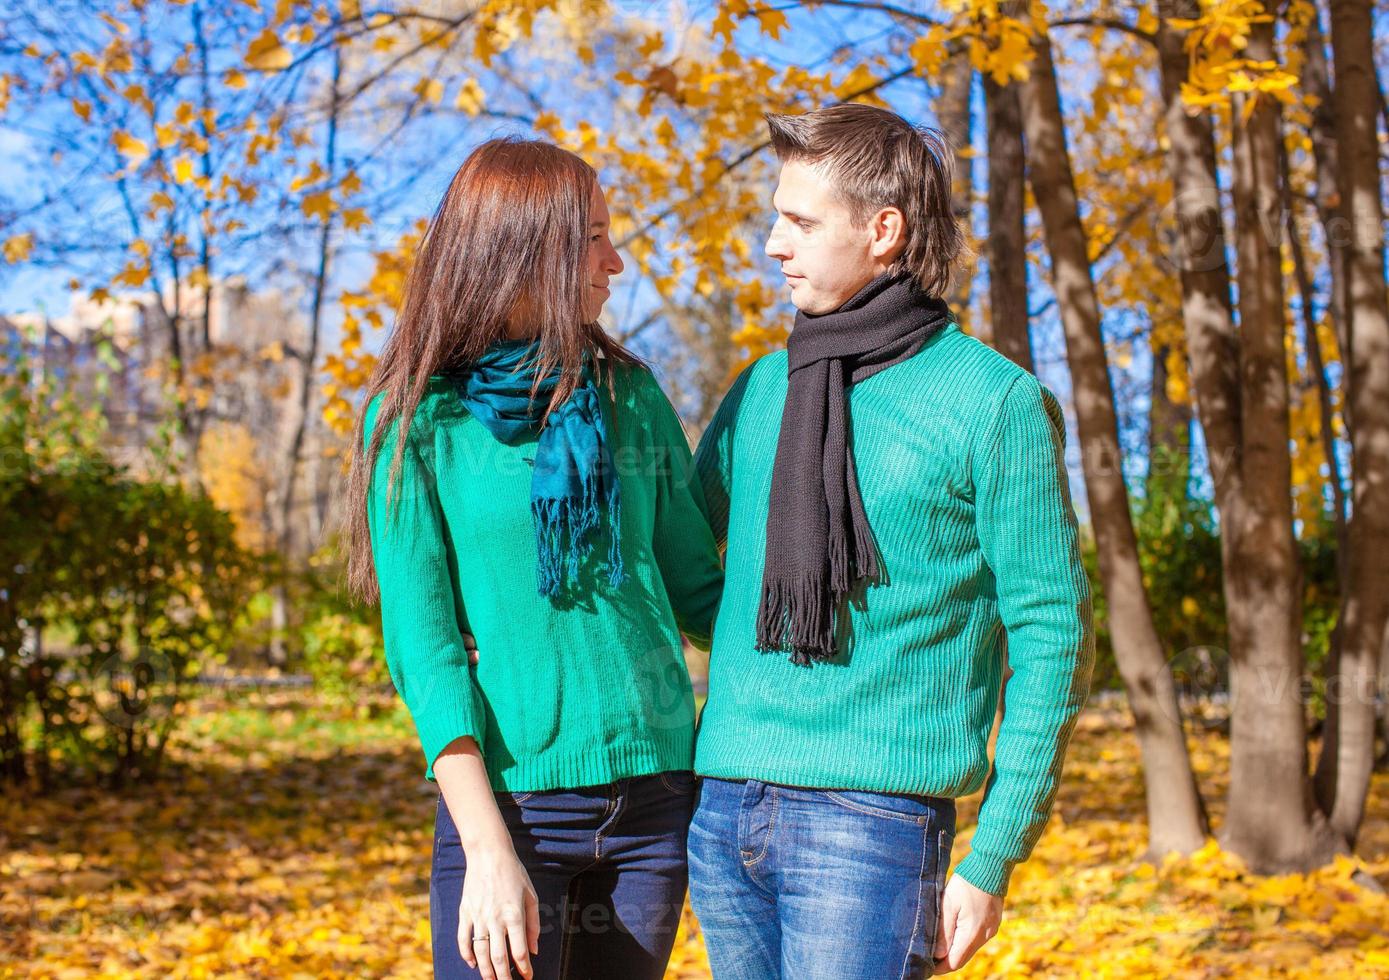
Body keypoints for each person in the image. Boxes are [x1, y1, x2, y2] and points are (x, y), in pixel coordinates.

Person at [687, 103, 1095, 979]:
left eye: (798, 222)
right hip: (722, 805)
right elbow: (677, 566)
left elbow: (1053, 631)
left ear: (882, 230)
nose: (772, 244)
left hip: (871, 823)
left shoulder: (993, 403)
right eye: (774, 219)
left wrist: (994, 855)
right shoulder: (762, 388)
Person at [344, 137, 723, 980]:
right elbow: (426, 650)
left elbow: (701, 592)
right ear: (522, 247)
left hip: (656, 797)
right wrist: (485, 849)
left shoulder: (629, 396)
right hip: (511, 809)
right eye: (592, 237)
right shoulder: (416, 424)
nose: (616, 262)